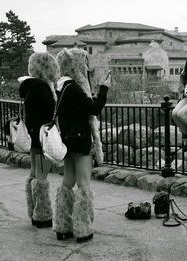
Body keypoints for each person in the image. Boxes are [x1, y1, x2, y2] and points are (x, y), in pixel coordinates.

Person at [53, 48, 110, 243]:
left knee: (67, 183)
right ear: (76, 65)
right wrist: (104, 89)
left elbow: (81, 107)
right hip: (80, 140)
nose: (86, 66)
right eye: (83, 62)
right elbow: (94, 108)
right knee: (84, 185)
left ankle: (62, 226)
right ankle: (82, 229)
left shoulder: (61, 87)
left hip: (67, 139)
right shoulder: (75, 88)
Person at [19, 52, 59, 228]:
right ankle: (42, 216)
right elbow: (52, 110)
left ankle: (34, 212)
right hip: (43, 138)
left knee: (34, 174)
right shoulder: (41, 88)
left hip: (33, 135)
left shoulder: (29, 86)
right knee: (41, 176)